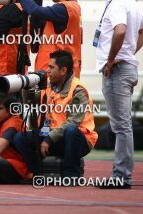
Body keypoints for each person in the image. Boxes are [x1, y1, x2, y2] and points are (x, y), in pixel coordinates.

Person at [95, 0, 143, 189]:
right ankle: (122, 174)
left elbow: (120, 30)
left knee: (121, 125)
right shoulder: (130, 1)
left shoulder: (116, 2)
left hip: (117, 69)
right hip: (125, 66)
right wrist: (128, 52)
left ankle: (121, 176)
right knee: (122, 124)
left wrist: (112, 58)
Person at [13, 50, 98, 179]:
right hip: (54, 136)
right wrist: (27, 87)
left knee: (70, 130)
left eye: (51, 67)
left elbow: (73, 122)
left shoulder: (78, 90)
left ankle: (71, 175)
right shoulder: (49, 85)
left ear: (63, 70)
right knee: (20, 138)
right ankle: (39, 173)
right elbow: (31, 106)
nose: (48, 70)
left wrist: (48, 139)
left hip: (79, 139)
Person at [6, 0, 82, 77]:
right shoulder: (74, 7)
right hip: (64, 71)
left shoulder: (63, 9)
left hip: (55, 74)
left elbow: (36, 11)